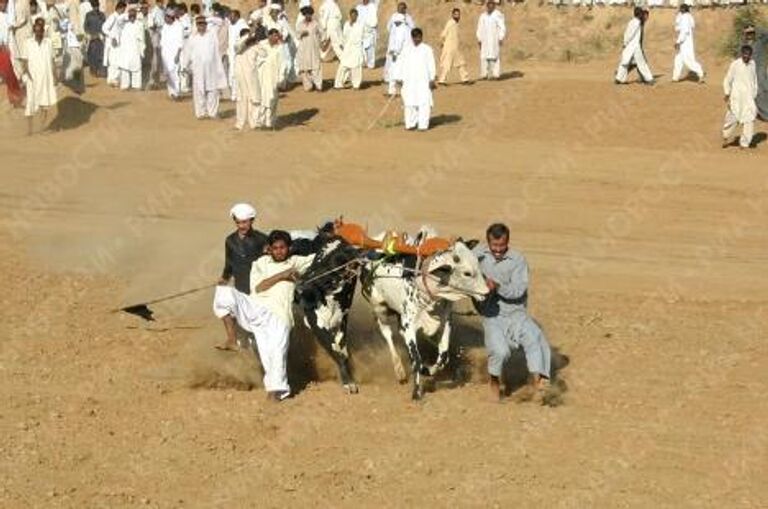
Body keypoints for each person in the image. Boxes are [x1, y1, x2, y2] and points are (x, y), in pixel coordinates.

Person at [213, 230, 315, 401]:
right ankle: (231, 338)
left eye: (282, 248)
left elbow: (322, 256)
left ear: (289, 248)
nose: (279, 251)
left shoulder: (296, 262)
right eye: (275, 248)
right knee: (223, 293)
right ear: (269, 249)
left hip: (279, 317)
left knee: (274, 355)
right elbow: (259, 288)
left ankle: (275, 392)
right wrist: (282, 275)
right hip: (257, 309)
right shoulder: (260, 263)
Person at [473, 223, 552, 403]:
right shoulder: (477, 254)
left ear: (507, 242)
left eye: (502, 246)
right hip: (492, 315)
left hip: (517, 313)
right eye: (495, 246)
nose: (498, 250)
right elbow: (461, 260)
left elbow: (518, 290)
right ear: (488, 242)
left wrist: (498, 286)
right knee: (500, 352)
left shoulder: (518, 260)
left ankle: (538, 382)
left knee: (535, 337)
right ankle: (494, 382)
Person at [183, 14, 226, 118]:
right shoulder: (193, 38)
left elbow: (216, 52)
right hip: (198, 68)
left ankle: (212, 112)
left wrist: (209, 17)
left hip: (211, 68)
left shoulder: (212, 35)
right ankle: (201, 113)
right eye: (199, 24)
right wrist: (185, 65)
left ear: (206, 25)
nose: (201, 26)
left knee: (212, 90)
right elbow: (187, 53)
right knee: (199, 91)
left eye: (203, 24)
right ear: (196, 25)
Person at [20, 18, 57, 134]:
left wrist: (55, 75)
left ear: (43, 31)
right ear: (33, 31)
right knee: (30, 103)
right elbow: (24, 61)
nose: (38, 33)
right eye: (36, 31)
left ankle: (42, 128)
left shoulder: (49, 43)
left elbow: (52, 60)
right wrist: (26, 73)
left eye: (40, 31)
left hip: (45, 77)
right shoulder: (28, 43)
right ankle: (29, 130)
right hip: (32, 78)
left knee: (44, 103)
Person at [722, 45, 758, 150]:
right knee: (732, 118)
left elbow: (755, 80)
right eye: (744, 54)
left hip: (749, 98)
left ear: (751, 55)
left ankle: (744, 143)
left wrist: (754, 94)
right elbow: (727, 79)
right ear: (741, 54)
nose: (746, 56)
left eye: (748, 55)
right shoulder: (735, 64)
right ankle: (726, 136)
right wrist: (727, 93)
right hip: (736, 97)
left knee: (749, 120)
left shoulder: (753, 64)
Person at [399, 27, 434, 131]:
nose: (417, 39)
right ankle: (410, 124)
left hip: (423, 80)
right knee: (409, 103)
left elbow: (431, 65)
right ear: (412, 38)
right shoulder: (406, 49)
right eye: (415, 37)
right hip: (409, 81)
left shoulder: (427, 49)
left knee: (424, 102)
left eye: (419, 37)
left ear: (421, 37)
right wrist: (400, 78)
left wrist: (432, 79)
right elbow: (401, 64)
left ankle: (423, 125)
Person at [614, 7, 653, 85]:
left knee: (624, 63)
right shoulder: (636, 22)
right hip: (634, 46)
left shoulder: (632, 21)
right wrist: (625, 43)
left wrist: (625, 43)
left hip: (630, 46)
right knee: (641, 63)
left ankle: (619, 79)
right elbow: (629, 34)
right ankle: (649, 79)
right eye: (641, 13)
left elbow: (627, 34)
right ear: (638, 14)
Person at [233, 27, 261, 130]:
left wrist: (255, 41)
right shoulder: (238, 48)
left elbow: (264, 55)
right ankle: (240, 123)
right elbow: (238, 47)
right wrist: (246, 38)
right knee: (241, 100)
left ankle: (254, 123)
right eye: (246, 37)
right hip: (241, 79)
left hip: (253, 78)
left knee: (255, 99)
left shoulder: (256, 47)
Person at [255, 27, 282, 128]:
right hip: (261, 77)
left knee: (272, 100)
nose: (276, 38)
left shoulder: (279, 48)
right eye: (274, 36)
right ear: (269, 36)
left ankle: (270, 123)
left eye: (277, 36)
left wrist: (280, 79)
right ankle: (260, 122)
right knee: (262, 100)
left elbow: (282, 65)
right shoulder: (262, 45)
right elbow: (256, 59)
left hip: (274, 78)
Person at [0, 0, 24, 106]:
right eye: (1, 3)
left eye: (4, 3)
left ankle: (16, 96)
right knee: (7, 73)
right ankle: (14, 95)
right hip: (2, 47)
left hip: (9, 46)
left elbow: (12, 25)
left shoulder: (9, 15)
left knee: (11, 72)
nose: (2, 5)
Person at [742, 25, 768, 120]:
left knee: (764, 90)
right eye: (747, 33)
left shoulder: (760, 42)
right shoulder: (743, 46)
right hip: (750, 74)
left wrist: (756, 28)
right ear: (744, 34)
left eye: (751, 33)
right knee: (757, 94)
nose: (750, 35)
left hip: (761, 72)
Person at [672, 4, 703, 83]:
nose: (679, 10)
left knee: (688, 61)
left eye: (681, 9)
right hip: (686, 41)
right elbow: (681, 26)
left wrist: (678, 42)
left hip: (685, 42)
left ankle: (700, 73)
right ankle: (675, 77)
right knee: (678, 60)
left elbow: (684, 31)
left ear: (683, 9)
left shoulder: (685, 17)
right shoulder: (688, 16)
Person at [438, 7, 469, 85]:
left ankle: (465, 79)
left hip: (455, 47)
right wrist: (442, 42)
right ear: (452, 15)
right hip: (449, 47)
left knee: (461, 63)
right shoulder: (450, 23)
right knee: (447, 64)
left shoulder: (456, 23)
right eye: (455, 14)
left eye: (458, 14)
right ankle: (441, 80)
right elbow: (444, 33)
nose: (457, 16)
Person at [334, 7, 363, 89]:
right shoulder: (347, 24)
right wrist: (342, 44)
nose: (353, 17)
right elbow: (344, 36)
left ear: (357, 16)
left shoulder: (360, 25)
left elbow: (360, 37)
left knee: (356, 68)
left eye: (355, 16)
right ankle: (338, 84)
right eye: (352, 16)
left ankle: (356, 85)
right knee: (343, 66)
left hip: (356, 48)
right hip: (347, 48)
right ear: (350, 16)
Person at [295, 5, 322, 91]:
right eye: (306, 14)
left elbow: (322, 34)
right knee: (304, 68)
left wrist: (321, 42)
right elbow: (297, 35)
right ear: (304, 15)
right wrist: (302, 34)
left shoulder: (316, 24)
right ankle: (308, 86)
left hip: (314, 48)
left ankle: (318, 85)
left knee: (316, 67)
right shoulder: (300, 24)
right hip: (304, 49)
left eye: (309, 14)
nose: (308, 16)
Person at [116, 6, 144, 90]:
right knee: (125, 68)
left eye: (133, 16)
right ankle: (125, 85)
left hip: (135, 48)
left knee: (136, 68)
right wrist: (128, 12)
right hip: (125, 50)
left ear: (135, 16)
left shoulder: (139, 24)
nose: (132, 18)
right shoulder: (124, 24)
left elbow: (142, 39)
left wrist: (142, 51)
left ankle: (136, 85)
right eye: (130, 16)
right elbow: (118, 20)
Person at [476, 0, 505, 80]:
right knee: (484, 57)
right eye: (489, 4)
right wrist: (479, 38)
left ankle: (495, 75)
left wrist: (501, 37)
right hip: (484, 40)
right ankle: (484, 75)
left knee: (494, 57)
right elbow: (479, 28)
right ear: (487, 5)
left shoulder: (498, 15)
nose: (490, 6)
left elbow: (502, 27)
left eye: (492, 4)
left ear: (494, 5)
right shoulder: (483, 16)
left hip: (494, 40)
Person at [159, 7, 183, 99]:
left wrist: (178, 54)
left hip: (174, 53)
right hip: (165, 53)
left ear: (171, 17)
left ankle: (176, 93)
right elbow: (163, 41)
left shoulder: (178, 26)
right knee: (168, 73)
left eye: (167, 17)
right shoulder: (165, 26)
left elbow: (180, 42)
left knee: (174, 73)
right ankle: (171, 92)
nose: (165, 19)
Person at [102, 0, 126, 86]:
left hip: (118, 44)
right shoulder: (113, 17)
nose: (124, 11)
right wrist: (112, 37)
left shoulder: (120, 17)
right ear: (120, 8)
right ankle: (112, 80)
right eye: (123, 9)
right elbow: (104, 28)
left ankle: (114, 79)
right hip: (112, 44)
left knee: (117, 61)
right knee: (113, 62)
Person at [384, 12, 407, 97]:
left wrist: (395, 52)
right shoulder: (405, 28)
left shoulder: (401, 29)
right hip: (402, 55)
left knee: (393, 72)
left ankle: (392, 91)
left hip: (399, 55)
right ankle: (396, 91)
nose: (395, 23)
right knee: (400, 73)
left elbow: (399, 43)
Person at [226, 9, 247, 99]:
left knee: (238, 74)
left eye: (232, 16)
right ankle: (234, 93)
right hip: (231, 54)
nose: (230, 18)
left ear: (237, 16)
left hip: (239, 54)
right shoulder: (231, 26)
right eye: (230, 16)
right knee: (232, 74)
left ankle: (238, 93)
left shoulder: (243, 26)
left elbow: (245, 39)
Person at [83, 0, 104, 76]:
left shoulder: (102, 15)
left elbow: (105, 26)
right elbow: (85, 27)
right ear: (92, 7)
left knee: (100, 54)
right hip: (92, 39)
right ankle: (93, 70)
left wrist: (101, 34)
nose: (96, 8)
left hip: (100, 38)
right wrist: (90, 35)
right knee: (92, 55)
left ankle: (99, 70)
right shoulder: (88, 15)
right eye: (94, 7)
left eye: (97, 6)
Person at [356, 0, 376, 69]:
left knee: (370, 48)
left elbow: (374, 20)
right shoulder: (358, 7)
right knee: (361, 47)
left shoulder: (372, 6)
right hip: (361, 30)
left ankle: (371, 64)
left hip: (370, 30)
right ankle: (362, 62)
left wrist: (371, 26)